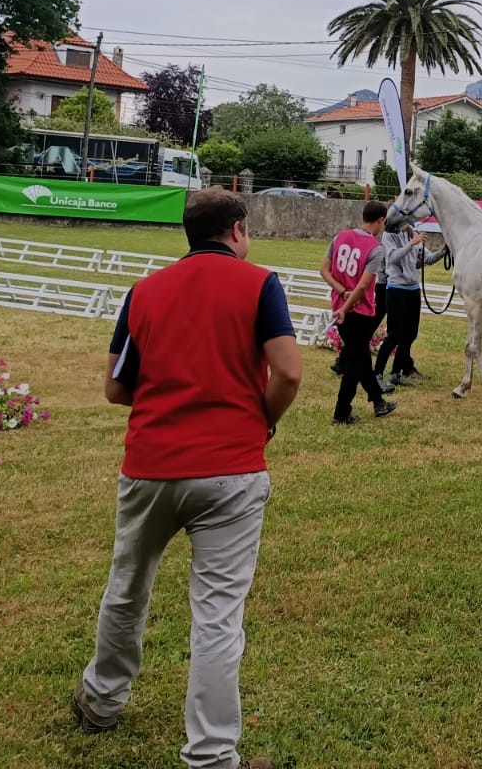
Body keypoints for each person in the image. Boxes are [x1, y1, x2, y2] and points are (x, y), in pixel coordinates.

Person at [73, 188, 298, 769]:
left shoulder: (145, 291)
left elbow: (116, 388)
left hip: (150, 466)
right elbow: (290, 373)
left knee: (127, 588)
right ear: (238, 231)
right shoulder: (260, 285)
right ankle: (212, 754)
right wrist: (261, 421)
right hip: (231, 471)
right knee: (218, 616)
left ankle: (100, 701)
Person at [322, 201, 396, 425]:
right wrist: (347, 305)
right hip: (360, 312)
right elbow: (363, 287)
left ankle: (378, 401)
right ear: (381, 220)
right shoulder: (375, 248)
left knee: (361, 357)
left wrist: (342, 293)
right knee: (356, 363)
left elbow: (324, 270)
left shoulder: (339, 237)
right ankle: (341, 412)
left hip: (339, 306)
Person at [374, 226, 446, 391]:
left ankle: (396, 372)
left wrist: (443, 251)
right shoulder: (390, 235)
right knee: (394, 334)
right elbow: (392, 257)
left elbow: (427, 259)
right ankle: (377, 374)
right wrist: (411, 244)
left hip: (413, 288)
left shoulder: (415, 233)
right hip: (396, 288)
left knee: (410, 333)